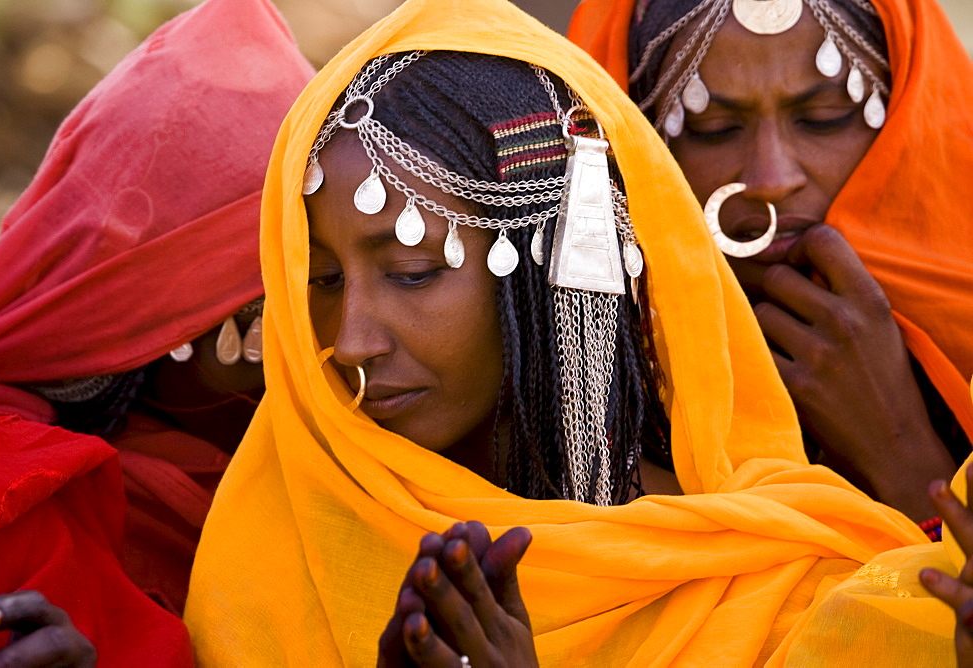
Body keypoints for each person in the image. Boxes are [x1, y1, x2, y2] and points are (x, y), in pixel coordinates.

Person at [183, 0, 946, 664]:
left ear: (552, 271)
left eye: (413, 270)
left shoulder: (782, 575)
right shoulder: (262, 557)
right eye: (318, 280)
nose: (348, 342)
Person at [0, 0, 312, 662]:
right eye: (304, 293)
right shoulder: (13, 509)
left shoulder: (330, 482)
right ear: (176, 319)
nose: (348, 339)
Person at [567, 0, 973, 524]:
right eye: (712, 127)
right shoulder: (580, 385)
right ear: (634, 144)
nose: (771, 179)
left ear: (908, 123)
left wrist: (900, 447)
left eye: (823, 120)